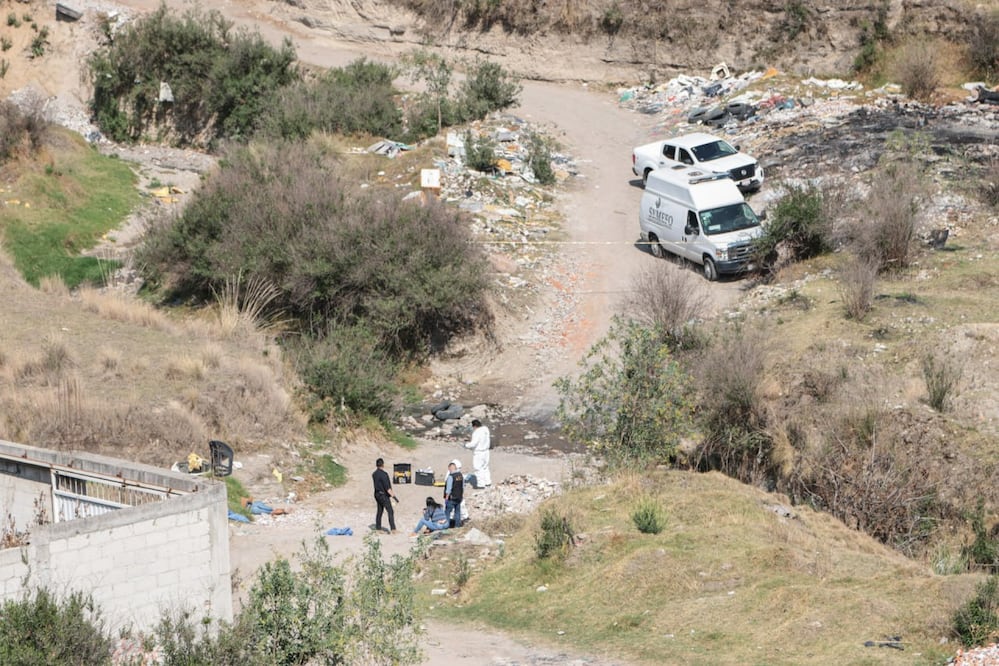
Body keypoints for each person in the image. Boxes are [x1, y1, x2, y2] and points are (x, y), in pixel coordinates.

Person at [372, 458, 397, 534]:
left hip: (377, 494)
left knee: (380, 511)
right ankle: (393, 529)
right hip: (383, 495)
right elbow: (388, 488)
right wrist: (394, 497)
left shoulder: (374, 474)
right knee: (390, 511)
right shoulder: (384, 474)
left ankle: (378, 528)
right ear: (383, 464)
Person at [464, 419, 492, 487]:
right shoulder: (485, 429)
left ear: (474, 426)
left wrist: (466, 445)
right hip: (486, 451)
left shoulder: (476, 432)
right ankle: (487, 482)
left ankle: (481, 484)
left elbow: (474, 443)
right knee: (485, 467)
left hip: (479, 452)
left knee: (478, 468)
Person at [443, 459, 464, 528]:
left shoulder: (451, 476)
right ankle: (457, 526)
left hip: (451, 498)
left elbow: (448, 489)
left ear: (450, 468)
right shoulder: (460, 475)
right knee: (457, 512)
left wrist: (446, 498)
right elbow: (462, 486)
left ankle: (446, 526)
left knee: (447, 512)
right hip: (459, 497)